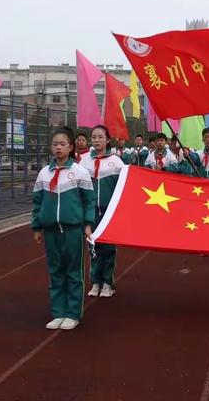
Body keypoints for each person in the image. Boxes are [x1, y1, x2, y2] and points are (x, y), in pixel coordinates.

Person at [31, 126, 95, 331]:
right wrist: (36, 227)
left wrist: (88, 224)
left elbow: (89, 201)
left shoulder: (79, 172)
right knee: (55, 271)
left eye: (62, 144)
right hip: (50, 231)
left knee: (73, 272)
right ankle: (58, 312)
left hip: (73, 230)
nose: (58, 148)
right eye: (55, 144)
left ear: (71, 147)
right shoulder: (43, 174)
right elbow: (37, 202)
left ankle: (73, 313)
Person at [80, 125, 125, 298]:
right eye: (94, 137)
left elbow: (125, 185)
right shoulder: (84, 161)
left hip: (108, 213)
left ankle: (107, 283)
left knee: (108, 248)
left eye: (100, 137)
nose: (97, 140)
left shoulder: (116, 162)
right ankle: (95, 282)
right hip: (91, 213)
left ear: (107, 140)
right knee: (93, 247)